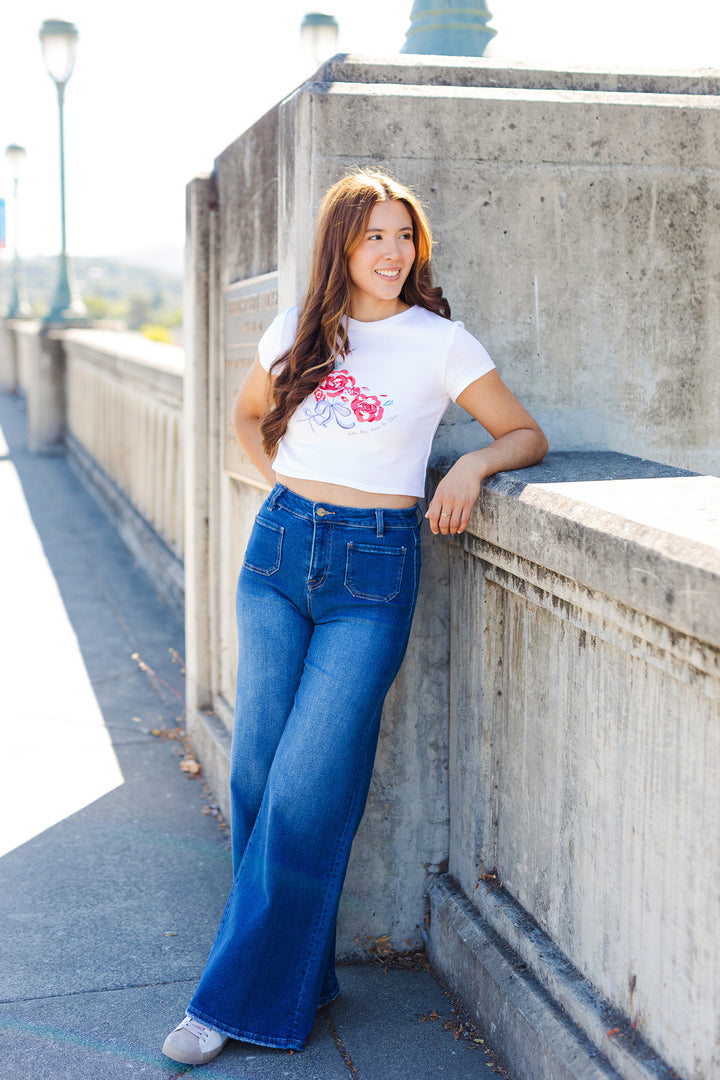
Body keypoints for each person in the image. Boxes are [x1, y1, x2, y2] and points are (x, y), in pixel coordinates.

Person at [162, 168, 547, 1066]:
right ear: (342, 243)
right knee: (258, 773)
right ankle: (292, 973)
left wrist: (469, 468)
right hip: (279, 552)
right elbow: (249, 415)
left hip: (374, 569)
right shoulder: (302, 328)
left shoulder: (442, 342)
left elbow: (523, 432)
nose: (392, 252)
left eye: (403, 236)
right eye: (374, 235)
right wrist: (291, 498)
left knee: (305, 785)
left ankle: (229, 1001)